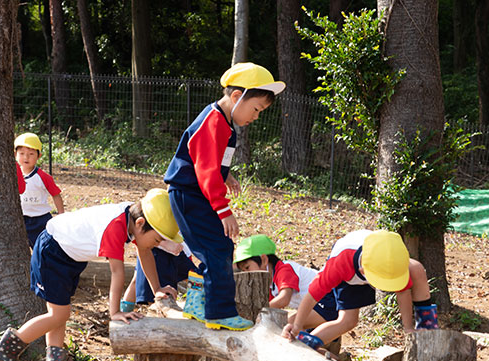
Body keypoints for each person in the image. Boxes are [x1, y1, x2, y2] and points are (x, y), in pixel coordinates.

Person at [0, 188, 181, 361]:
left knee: (59, 312)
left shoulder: (130, 218)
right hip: (52, 252)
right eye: (156, 240)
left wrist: (157, 289)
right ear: (140, 223)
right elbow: (117, 272)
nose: (156, 245)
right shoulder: (115, 226)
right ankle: (6, 349)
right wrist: (115, 312)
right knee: (58, 314)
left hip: (68, 258)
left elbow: (145, 254)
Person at [164, 62, 284, 331]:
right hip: (192, 194)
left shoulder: (224, 121)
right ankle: (219, 312)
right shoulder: (214, 121)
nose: (256, 116)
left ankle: (196, 304)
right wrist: (223, 210)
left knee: (207, 251)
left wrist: (225, 174)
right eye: (256, 109)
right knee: (219, 249)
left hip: (193, 193)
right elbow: (205, 169)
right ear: (236, 97)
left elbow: (210, 161)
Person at [281, 229, 438, 349]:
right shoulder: (338, 265)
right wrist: (297, 326)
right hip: (350, 272)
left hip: (379, 257)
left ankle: (427, 329)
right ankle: (305, 345)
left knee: (416, 268)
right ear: (364, 272)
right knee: (347, 321)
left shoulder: (393, 265)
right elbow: (311, 297)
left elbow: (402, 291)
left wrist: (408, 328)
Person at [233, 233, 337, 325]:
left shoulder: (284, 270)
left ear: (264, 259)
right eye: (243, 271)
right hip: (313, 306)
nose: (246, 273)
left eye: (247, 268)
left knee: (288, 324)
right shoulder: (268, 282)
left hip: (327, 299)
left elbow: (284, 299)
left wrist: (256, 310)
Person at [15, 132, 65, 247]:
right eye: (22, 153)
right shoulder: (11, 176)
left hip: (41, 219)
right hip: (21, 218)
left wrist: (61, 215)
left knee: (44, 248)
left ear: (39, 156)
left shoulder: (43, 177)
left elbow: (56, 194)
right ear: (15, 154)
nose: (26, 157)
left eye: (31, 154)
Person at [120, 239, 195, 312]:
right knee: (160, 296)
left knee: (195, 277)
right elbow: (143, 232)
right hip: (158, 250)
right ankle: (125, 314)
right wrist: (163, 243)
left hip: (178, 247)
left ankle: (124, 312)